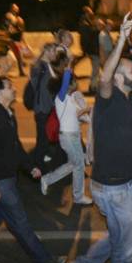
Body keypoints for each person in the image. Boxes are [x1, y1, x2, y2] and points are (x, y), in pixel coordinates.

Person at [64, 13, 132, 263]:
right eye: (130, 71)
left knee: (118, 237)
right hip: (115, 189)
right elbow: (104, 75)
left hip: (123, 185)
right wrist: (121, 39)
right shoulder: (109, 96)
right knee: (126, 249)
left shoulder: (127, 102)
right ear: (117, 77)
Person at [0, 76, 68, 263]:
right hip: (1, 182)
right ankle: (44, 260)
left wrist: (30, 167)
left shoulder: (7, 114)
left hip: (6, 179)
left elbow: (15, 147)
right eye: (9, 87)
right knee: (20, 223)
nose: (14, 89)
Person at [41, 61, 92, 205]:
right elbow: (64, 86)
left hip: (74, 136)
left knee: (74, 164)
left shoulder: (71, 98)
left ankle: (47, 179)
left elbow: (77, 116)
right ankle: (78, 196)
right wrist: (68, 71)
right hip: (67, 137)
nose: (76, 84)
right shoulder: (60, 98)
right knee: (79, 165)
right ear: (68, 84)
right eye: (74, 81)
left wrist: (87, 113)